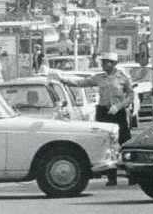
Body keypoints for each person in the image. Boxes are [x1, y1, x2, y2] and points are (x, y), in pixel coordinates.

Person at [54, 53, 133, 185]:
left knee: (124, 142)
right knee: (106, 143)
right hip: (103, 111)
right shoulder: (99, 77)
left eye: (106, 62)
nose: (103, 65)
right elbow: (81, 83)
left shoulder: (123, 78)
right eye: (102, 62)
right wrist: (63, 79)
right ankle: (111, 177)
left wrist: (119, 106)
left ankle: (131, 174)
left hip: (117, 112)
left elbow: (130, 95)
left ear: (113, 63)